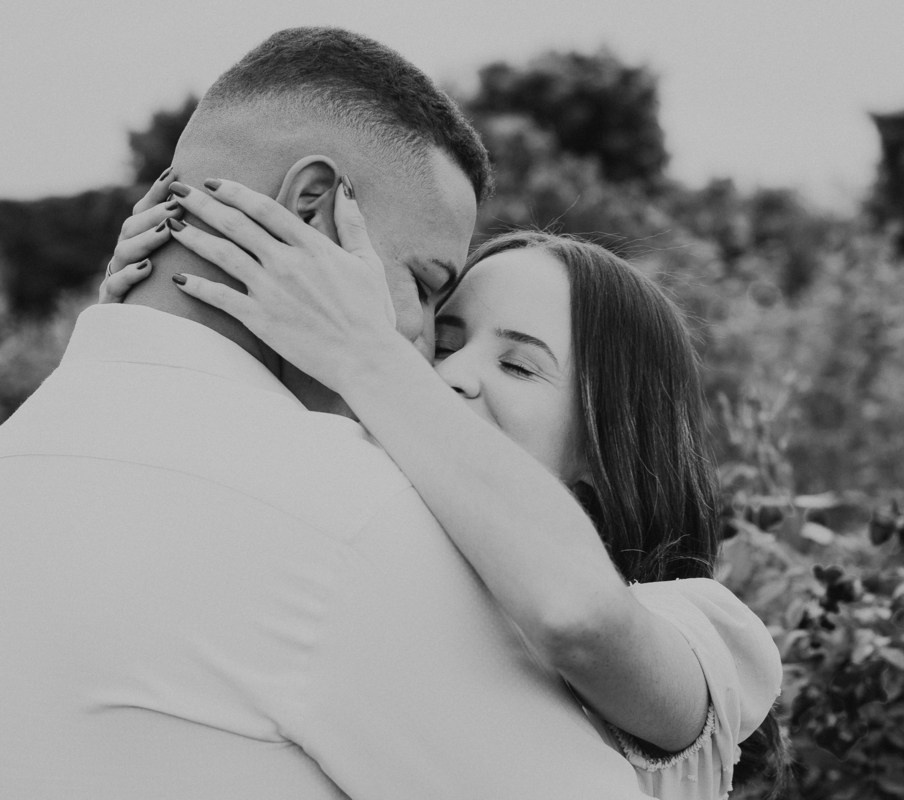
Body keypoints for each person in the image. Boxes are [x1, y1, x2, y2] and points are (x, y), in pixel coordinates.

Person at [0, 27, 653, 799]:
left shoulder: (25, 455)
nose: (417, 344)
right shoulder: (354, 525)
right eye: (424, 282)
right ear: (312, 205)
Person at [99, 176, 788, 799]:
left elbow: (579, 617)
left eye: (518, 366)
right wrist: (146, 325)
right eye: (445, 341)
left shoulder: (704, 629)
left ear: (607, 447)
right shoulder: (363, 567)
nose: (452, 375)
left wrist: (367, 357)